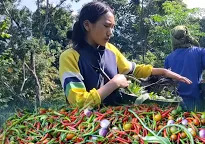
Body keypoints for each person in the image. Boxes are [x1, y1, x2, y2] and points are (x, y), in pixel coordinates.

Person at [59, 2, 192, 108]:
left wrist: (163, 72)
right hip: (87, 128)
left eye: (113, 27)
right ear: (87, 25)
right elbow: (78, 102)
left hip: (116, 122)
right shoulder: (70, 57)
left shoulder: (111, 50)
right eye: (106, 26)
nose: (110, 32)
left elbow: (134, 69)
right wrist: (114, 83)